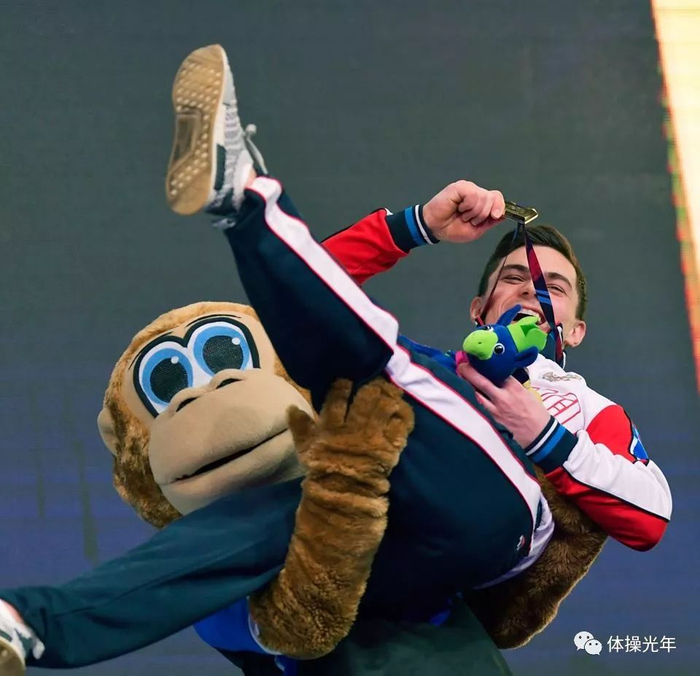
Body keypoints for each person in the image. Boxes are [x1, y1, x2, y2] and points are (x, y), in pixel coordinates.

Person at [0, 43, 671, 676]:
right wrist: (417, 225)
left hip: (492, 526)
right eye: (514, 279)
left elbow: (652, 516)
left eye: (553, 288)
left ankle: (243, 196)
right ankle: (31, 625)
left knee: (380, 375)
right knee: (266, 516)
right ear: (479, 309)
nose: (530, 291)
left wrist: (546, 435)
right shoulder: (441, 367)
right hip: (386, 543)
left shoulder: (589, 410)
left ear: (576, 329)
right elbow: (308, 298)